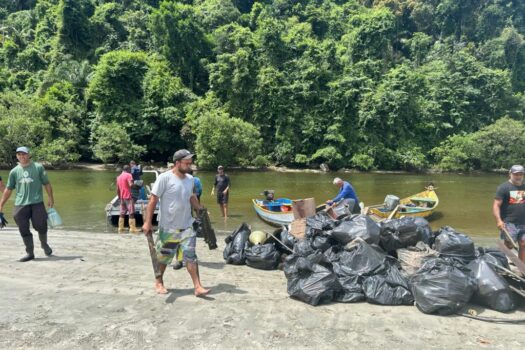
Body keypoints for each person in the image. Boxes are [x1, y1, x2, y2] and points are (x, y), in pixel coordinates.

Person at [142, 149, 209, 296]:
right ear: (177, 163)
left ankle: (197, 287)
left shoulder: (190, 179)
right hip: (169, 227)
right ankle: (159, 282)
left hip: (187, 226)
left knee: (191, 256)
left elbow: (191, 196)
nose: (190, 166)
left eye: (191, 163)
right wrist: (147, 223)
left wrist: (199, 208)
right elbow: (153, 201)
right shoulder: (164, 178)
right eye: (187, 163)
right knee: (164, 257)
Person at [0, 147, 55, 262]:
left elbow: (47, 183)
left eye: (24, 154)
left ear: (29, 155)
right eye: (19, 154)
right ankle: (30, 253)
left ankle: (44, 244)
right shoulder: (14, 171)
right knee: (22, 227)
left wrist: (50, 197)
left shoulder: (38, 167)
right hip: (20, 204)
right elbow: (8, 189)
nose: (22, 156)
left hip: (37, 203)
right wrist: (1, 204)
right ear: (16, 156)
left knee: (41, 225)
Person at [493, 164, 525, 262]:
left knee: (523, 244)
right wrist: (499, 221)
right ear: (510, 174)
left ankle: (522, 268)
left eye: (520, 174)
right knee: (509, 246)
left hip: (523, 222)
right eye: (516, 174)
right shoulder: (503, 188)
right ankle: (497, 259)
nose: (518, 176)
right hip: (509, 222)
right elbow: (496, 205)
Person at [116, 165, 139, 234]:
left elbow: (117, 189)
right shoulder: (129, 175)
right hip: (128, 196)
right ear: (128, 169)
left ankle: (120, 228)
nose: (131, 170)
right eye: (130, 169)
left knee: (122, 212)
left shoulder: (119, 177)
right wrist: (137, 186)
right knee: (131, 212)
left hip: (122, 197)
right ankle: (132, 229)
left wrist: (119, 197)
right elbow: (131, 185)